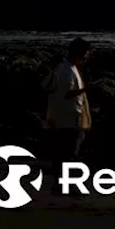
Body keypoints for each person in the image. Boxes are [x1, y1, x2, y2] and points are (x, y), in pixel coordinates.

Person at [42, 38, 92, 171]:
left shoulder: (65, 67)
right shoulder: (68, 70)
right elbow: (66, 94)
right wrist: (87, 89)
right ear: (80, 53)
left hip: (65, 116)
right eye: (86, 52)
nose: (87, 56)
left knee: (64, 152)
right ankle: (65, 184)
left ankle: (62, 183)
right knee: (68, 152)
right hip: (68, 118)